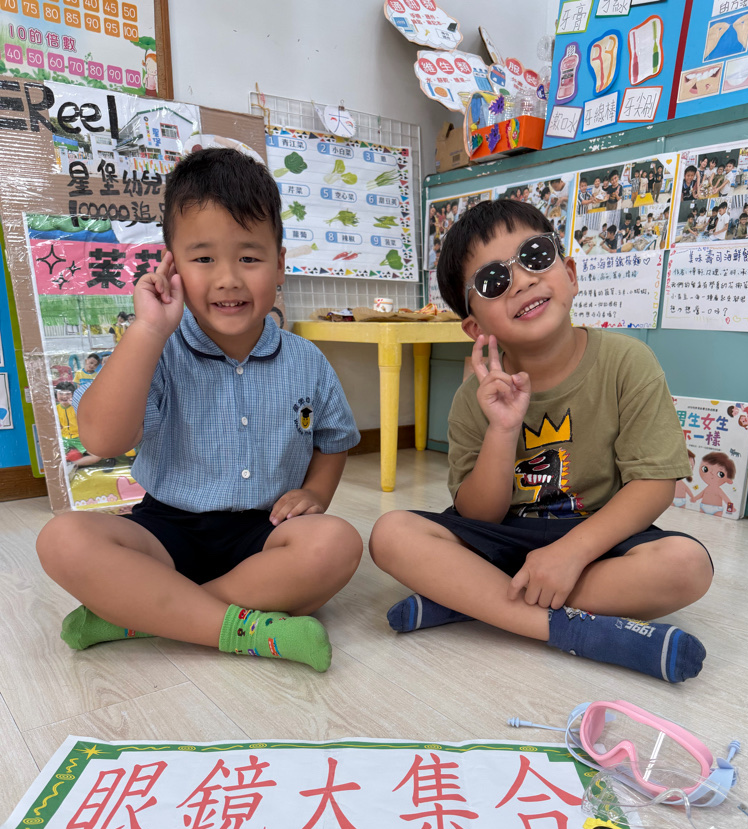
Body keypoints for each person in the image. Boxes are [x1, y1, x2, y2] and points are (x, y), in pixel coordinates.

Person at [37, 148, 363, 672]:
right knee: (63, 539)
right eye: (203, 259)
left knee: (337, 544)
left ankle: (141, 615)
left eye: (249, 258)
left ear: (281, 264)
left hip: (265, 534)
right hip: (165, 531)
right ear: (171, 264)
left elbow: (334, 440)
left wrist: (315, 493)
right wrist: (147, 330)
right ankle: (238, 627)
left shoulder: (307, 360)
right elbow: (101, 440)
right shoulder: (156, 349)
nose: (228, 278)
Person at [369, 199, 712, 684]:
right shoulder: (472, 399)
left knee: (686, 566)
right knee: (391, 534)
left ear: (569, 273)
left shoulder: (627, 362)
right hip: (504, 537)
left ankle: (472, 600)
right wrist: (502, 429)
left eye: (535, 256)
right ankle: (571, 629)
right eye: (493, 280)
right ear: (475, 327)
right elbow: (478, 514)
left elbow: (654, 484)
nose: (522, 280)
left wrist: (571, 553)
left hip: (596, 538)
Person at [55, 382, 103, 475]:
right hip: (64, 439)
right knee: (55, 458)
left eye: (68, 394)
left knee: (97, 456)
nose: (64, 396)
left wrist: (75, 405)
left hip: (79, 438)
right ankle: (65, 466)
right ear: (56, 394)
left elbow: (87, 420)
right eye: (61, 393)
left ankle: (72, 464)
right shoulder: (55, 409)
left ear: (73, 395)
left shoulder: (78, 407)